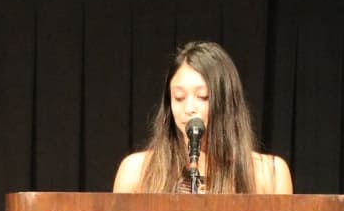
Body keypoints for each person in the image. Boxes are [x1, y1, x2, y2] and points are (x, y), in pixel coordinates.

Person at [113, 41, 293, 194]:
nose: (189, 109)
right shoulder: (136, 172)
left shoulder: (270, 175)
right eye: (179, 98)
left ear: (226, 101)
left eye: (203, 97)